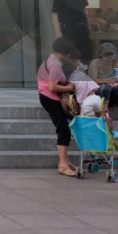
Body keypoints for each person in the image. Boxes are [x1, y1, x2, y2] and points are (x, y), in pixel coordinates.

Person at [37, 36, 78, 177]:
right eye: (68, 54)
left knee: (64, 129)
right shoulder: (54, 64)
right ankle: (62, 164)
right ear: (64, 53)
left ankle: (65, 161)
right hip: (49, 97)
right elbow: (53, 87)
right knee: (63, 129)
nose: (68, 57)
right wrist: (70, 87)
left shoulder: (52, 60)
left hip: (49, 97)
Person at [88, 42, 118, 122]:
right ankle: (105, 112)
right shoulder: (95, 63)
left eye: (111, 55)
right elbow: (93, 80)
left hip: (113, 93)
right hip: (100, 92)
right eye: (106, 55)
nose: (109, 57)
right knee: (106, 87)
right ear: (101, 54)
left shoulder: (115, 64)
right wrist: (111, 80)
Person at [51, 0, 92, 64]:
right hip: (69, 29)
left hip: (82, 28)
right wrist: (58, 32)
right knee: (71, 53)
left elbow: (84, 9)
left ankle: (86, 74)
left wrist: (88, 24)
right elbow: (54, 15)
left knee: (86, 52)